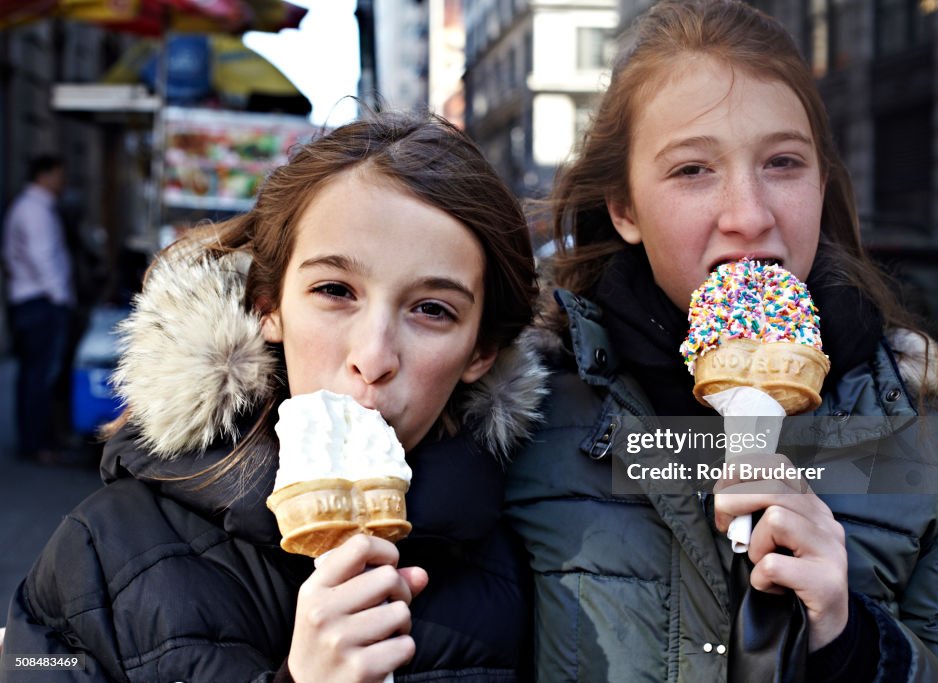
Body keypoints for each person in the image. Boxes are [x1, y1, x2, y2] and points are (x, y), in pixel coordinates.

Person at [504, 1, 938, 681]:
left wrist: (851, 641)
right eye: (693, 170)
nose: (749, 214)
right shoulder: (526, 427)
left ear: (821, 183)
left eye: (783, 162)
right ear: (624, 207)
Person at [1, 111, 546, 682]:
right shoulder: (100, 551)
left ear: (480, 351)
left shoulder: (530, 558)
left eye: (433, 310)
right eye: (335, 291)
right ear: (268, 307)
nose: (374, 356)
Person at [2, 154, 75, 463]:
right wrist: (60, 297)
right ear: (44, 176)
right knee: (40, 376)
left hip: (33, 300)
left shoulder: (32, 208)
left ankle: (35, 441)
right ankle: (36, 444)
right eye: (59, 175)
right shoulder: (34, 211)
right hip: (40, 302)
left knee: (34, 374)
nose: (63, 182)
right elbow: (42, 257)